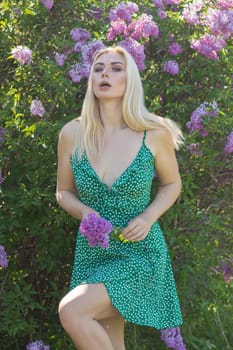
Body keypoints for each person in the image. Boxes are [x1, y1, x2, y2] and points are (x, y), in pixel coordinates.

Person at [56, 46, 185, 350]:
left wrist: (148, 216)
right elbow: (63, 191)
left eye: (116, 68)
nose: (105, 74)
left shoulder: (153, 133)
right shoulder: (73, 133)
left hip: (139, 251)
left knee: (72, 311)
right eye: (99, 68)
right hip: (94, 252)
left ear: (131, 80)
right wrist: (86, 213)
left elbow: (172, 183)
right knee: (111, 340)